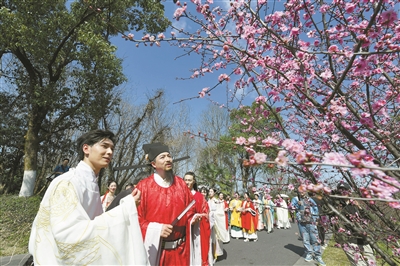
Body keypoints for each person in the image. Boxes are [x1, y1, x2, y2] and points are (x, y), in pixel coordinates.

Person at [29, 129, 147, 265]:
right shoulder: (68, 183)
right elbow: (68, 236)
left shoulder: (91, 183)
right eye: (104, 146)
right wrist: (125, 210)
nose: (110, 152)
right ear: (86, 148)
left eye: (112, 148)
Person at [135, 143, 199, 266]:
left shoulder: (181, 184)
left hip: (181, 251)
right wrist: (157, 229)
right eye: (162, 157)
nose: (168, 159)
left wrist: (193, 219)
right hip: (156, 252)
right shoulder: (143, 187)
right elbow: (136, 219)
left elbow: (190, 209)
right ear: (153, 164)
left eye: (169, 156)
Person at [334, 182, 376, 266]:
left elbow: (371, 219)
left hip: (363, 238)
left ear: (349, 191)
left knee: (372, 263)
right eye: (340, 191)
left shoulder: (355, 204)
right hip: (349, 240)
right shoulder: (336, 206)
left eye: (345, 190)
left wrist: (360, 207)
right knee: (359, 264)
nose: (343, 192)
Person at [184, 172, 212, 266]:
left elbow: (206, 214)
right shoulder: (179, 194)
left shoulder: (199, 196)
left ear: (194, 181)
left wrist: (198, 217)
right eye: (185, 180)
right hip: (182, 229)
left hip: (196, 229)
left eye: (189, 180)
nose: (187, 182)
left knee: (196, 250)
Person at [291, 189, 326, 266]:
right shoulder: (295, 199)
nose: (302, 192)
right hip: (301, 222)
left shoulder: (310, 199)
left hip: (311, 221)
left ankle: (318, 255)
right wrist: (297, 204)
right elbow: (291, 208)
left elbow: (315, 208)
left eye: (303, 190)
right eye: (300, 191)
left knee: (315, 238)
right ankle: (309, 253)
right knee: (305, 238)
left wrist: (316, 219)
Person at [208, 188, 230, 263]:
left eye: (211, 191)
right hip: (208, 220)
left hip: (215, 222)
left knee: (214, 239)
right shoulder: (208, 201)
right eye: (209, 191)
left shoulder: (216, 201)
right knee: (209, 239)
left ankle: (214, 255)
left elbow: (220, 212)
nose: (210, 193)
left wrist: (213, 214)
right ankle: (209, 254)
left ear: (214, 193)